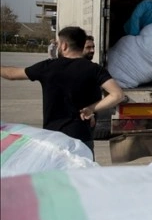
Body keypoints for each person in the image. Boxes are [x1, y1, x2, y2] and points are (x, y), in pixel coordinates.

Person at [0, 26, 124, 158]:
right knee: (82, 176)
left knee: (57, 177)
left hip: (54, 138)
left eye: (58, 43)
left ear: (64, 46)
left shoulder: (47, 67)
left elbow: (11, 74)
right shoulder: (95, 69)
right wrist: (91, 108)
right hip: (82, 139)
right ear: (82, 46)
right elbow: (117, 95)